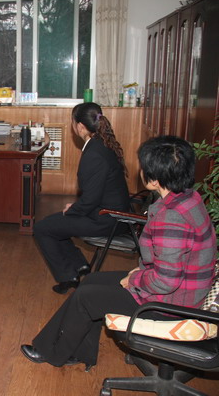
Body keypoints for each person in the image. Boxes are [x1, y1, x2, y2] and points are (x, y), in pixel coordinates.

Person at [21, 135, 217, 370]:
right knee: (91, 281)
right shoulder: (189, 198)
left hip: (170, 307)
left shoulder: (172, 218)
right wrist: (140, 273)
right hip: (184, 293)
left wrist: (134, 279)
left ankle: (51, 352)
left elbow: (166, 281)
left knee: (86, 297)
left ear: (154, 179)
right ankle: (79, 352)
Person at [33, 102, 131, 294]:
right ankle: (80, 266)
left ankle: (68, 277)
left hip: (107, 219)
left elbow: (91, 199)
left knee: (42, 228)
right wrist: (75, 208)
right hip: (111, 214)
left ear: (79, 126)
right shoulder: (102, 144)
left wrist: (73, 209)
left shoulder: (94, 153)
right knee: (53, 223)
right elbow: (94, 194)